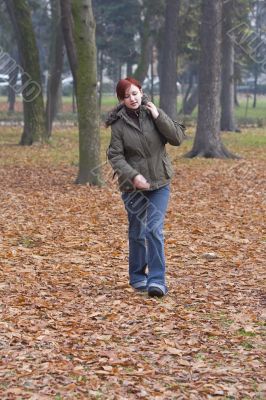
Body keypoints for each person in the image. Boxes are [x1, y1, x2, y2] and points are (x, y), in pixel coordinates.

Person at [106, 77, 185, 297]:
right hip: (133, 188)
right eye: (126, 96)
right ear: (121, 100)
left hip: (159, 182)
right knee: (138, 233)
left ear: (141, 92)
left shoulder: (154, 113)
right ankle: (138, 276)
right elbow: (115, 155)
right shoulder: (119, 125)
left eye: (134, 93)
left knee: (153, 229)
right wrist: (134, 176)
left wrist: (159, 117)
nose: (131, 99)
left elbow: (178, 138)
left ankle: (157, 281)